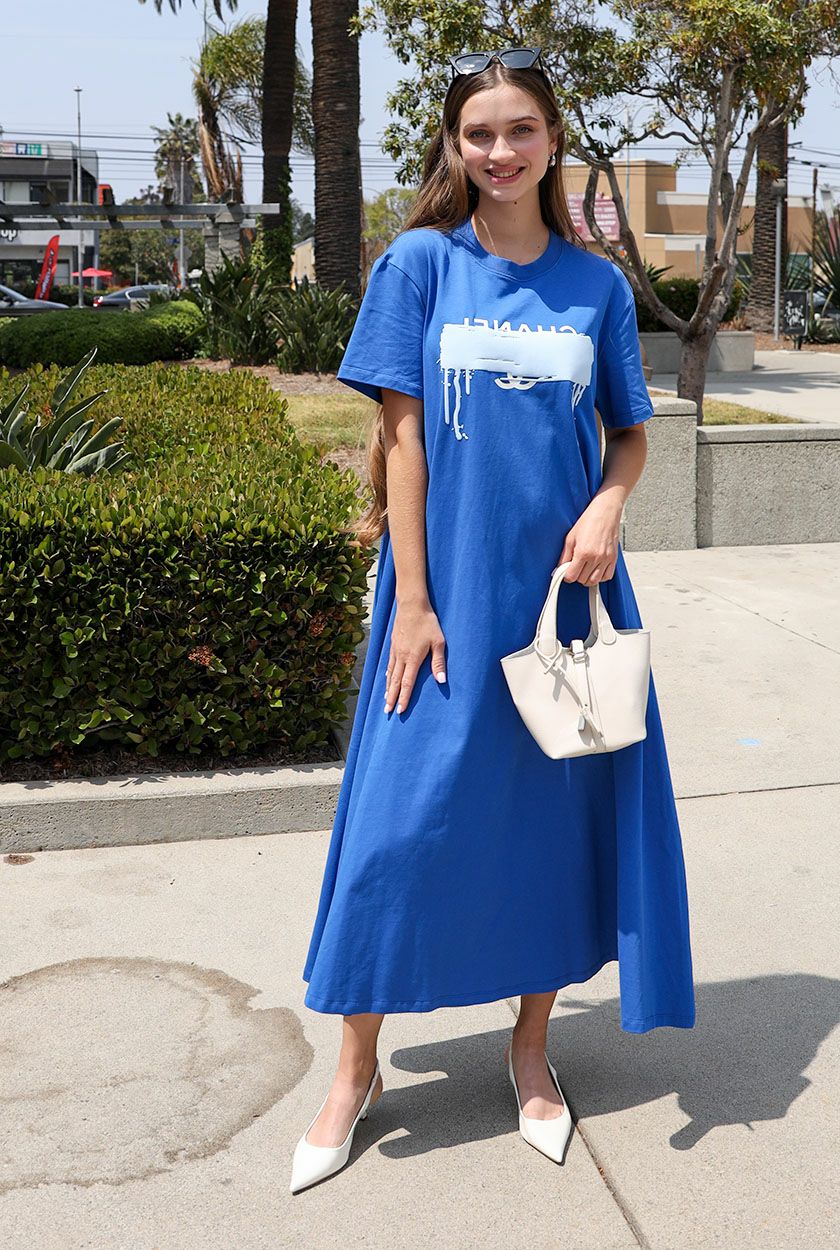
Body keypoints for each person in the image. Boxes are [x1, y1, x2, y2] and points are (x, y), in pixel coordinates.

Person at [290, 46, 696, 1193]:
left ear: (553, 140)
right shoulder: (419, 263)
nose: (501, 150)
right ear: (454, 145)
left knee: (548, 828)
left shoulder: (595, 286)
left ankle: (529, 1048)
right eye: (480, 133)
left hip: (564, 598)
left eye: (521, 129)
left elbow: (628, 432)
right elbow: (401, 437)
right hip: (440, 597)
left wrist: (608, 505)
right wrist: (413, 601)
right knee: (395, 826)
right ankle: (354, 1067)